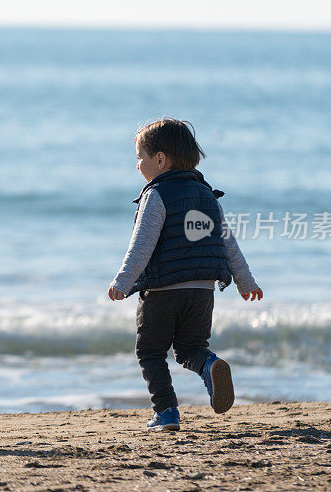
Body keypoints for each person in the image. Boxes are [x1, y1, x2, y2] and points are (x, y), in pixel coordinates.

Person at [108, 118, 263, 432]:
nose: (138, 165)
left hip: (163, 290)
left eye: (141, 157)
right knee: (191, 349)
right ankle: (209, 365)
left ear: (160, 159)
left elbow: (142, 245)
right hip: (202, 291)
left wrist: (122, 282)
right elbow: (228, 242)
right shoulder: (207, 195)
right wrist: (246, 282)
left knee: (150, 351)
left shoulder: (156, 194)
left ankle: (165, 413)